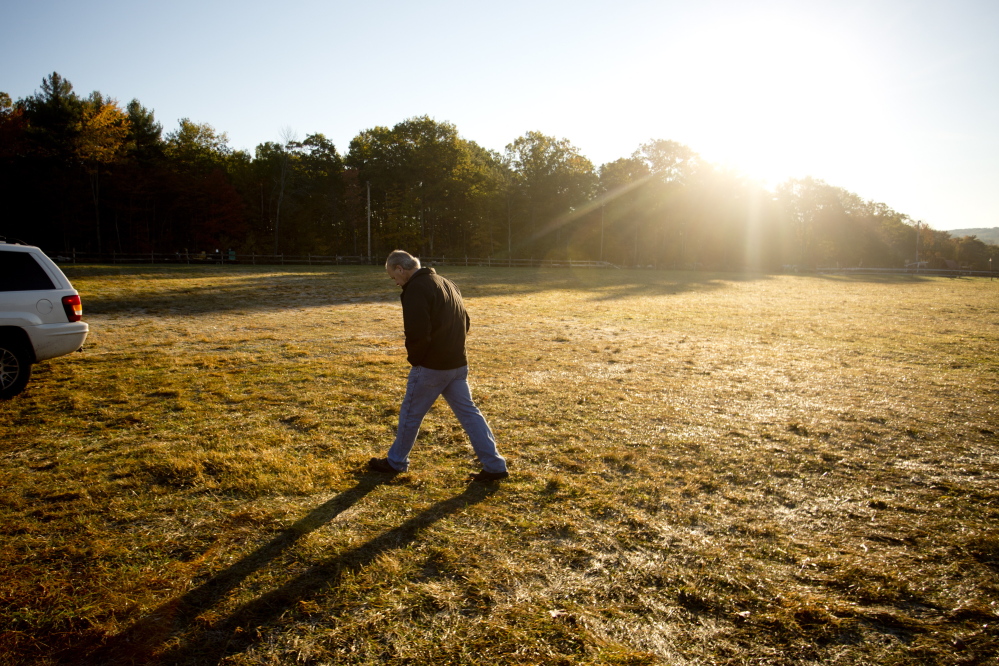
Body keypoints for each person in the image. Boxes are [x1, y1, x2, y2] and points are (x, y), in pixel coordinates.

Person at [369, 250, 508, 482]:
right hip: (457, 363)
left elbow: (417, 332)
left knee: (410, 415)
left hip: (432, 366)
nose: (394, 281)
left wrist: (417, 360)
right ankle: (495, 465)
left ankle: (395, 462)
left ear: (400, 269)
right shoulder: (447, 283)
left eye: (393, 276)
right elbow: (466, 321)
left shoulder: (416, 288)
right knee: (470, 414)